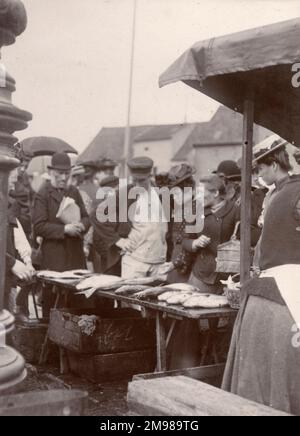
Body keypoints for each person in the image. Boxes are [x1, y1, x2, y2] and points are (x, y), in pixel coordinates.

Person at [222, 138, 300, 415]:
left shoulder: (290, 192)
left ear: (275, 163)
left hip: (287, 282)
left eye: (260, 168)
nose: (258, 175)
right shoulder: (276, 192)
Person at [90, 157, 168, 279]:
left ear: (150, 176)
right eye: (134, 180)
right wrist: (118, 240)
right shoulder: (125, 193)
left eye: (141, 181)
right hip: (135, 262)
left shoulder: (162, 193)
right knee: (129, 296)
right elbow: (97, 214)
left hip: (158, 261)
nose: (137, 185)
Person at [33, 153, 90, 316]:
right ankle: (50, 338)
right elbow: (39, 226)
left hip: (75, 257)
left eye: (67, 174)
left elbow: (86, 217)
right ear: (51, 172)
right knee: (52, 304)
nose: (64, 178)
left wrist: (82, 225)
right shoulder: (43, 194)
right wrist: (64, 230)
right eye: (60, 174)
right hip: (54, 259)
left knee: (77, 304)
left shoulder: (73, 191)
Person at [183, 175, 239, 294]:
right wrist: (195, 243)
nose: (196, 197)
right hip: (202, 276)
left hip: (229, 277)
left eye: (200, 192)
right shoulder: (196, 211)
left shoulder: (235, 210)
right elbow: (185, 240)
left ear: (215, 193)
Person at [5, 168, 35, 314]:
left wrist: (27, 260)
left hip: (6, 282)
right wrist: (12, 263)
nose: (14, 184)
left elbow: (17, 233)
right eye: (12, 179)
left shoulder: (9, 203)